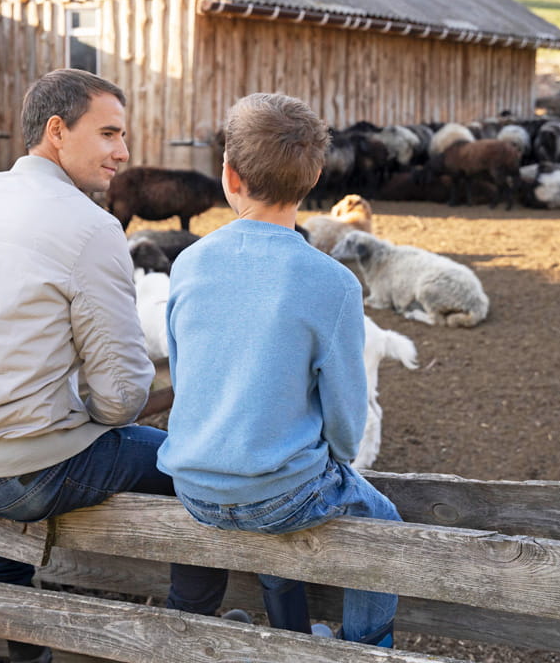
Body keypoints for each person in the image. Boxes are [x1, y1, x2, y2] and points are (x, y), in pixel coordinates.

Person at [0, 69, 175, 663]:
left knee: (16, 433)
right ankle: (195, 626)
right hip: (28, 479)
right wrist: (83, 411)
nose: (123, 152)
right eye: (109, 134)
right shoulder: (92, 227)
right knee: (187, 461)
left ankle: (24, 645)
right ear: (57, 131)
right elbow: (120, 399)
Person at [157, 92, 402, 647]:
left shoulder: (189, 263)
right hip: (283, 494)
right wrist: (335, 460)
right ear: (314, 177)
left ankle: (289, 629)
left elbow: (183, 369)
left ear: (229, 175)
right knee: (383, 519)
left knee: (275, 471)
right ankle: (366, 647)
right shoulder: (333, 282)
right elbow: (346, 417)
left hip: (192, 485)